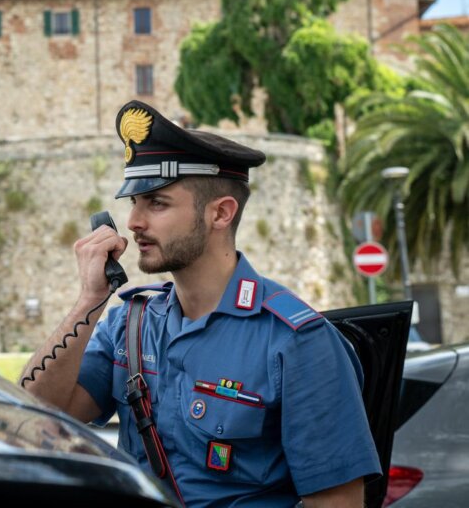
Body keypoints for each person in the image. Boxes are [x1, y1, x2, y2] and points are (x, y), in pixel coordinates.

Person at [21, 100, 379, 508]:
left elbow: (337, 502)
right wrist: (89, 300)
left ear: (221, 214)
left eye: (156, 203)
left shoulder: (297, 341)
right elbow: (35, 420)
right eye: (133, 203)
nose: (135, 221)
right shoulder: (129, 325)